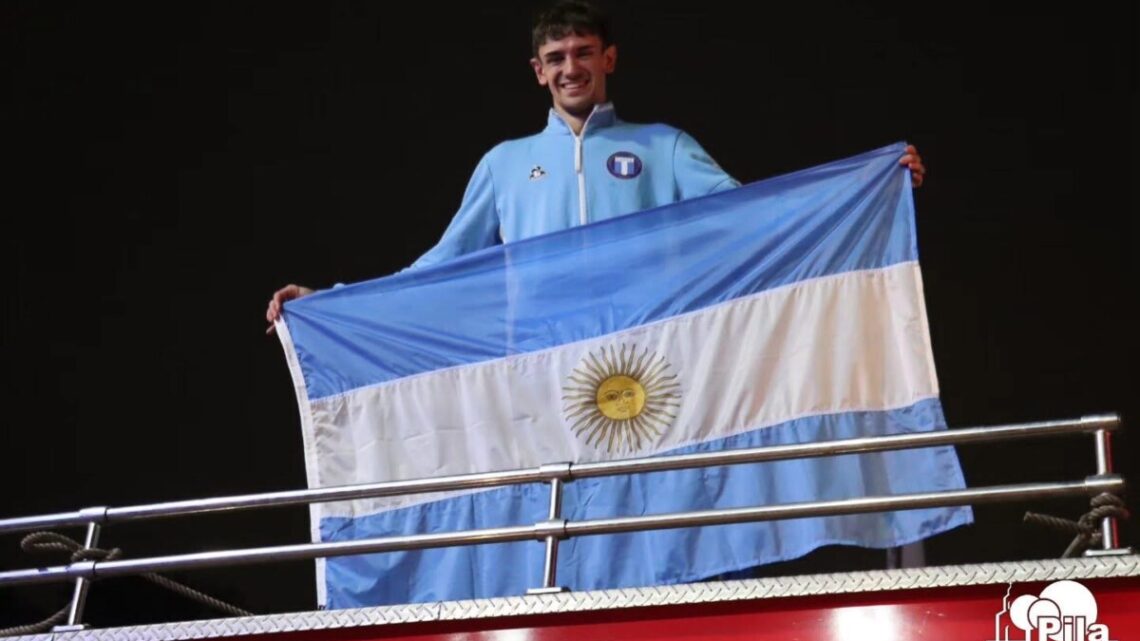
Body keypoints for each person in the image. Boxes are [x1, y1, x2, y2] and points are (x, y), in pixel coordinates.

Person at [266, 0, 926, 330]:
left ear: (609, 58)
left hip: (650, 344)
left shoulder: (662, 145)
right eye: (556, 58)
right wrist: (331, 301)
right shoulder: (504, 165)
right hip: (538, 351)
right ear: (537, 72)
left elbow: (749, 213)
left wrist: (865, 185)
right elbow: (439, 264)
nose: (571, 68)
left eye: (583, 52)